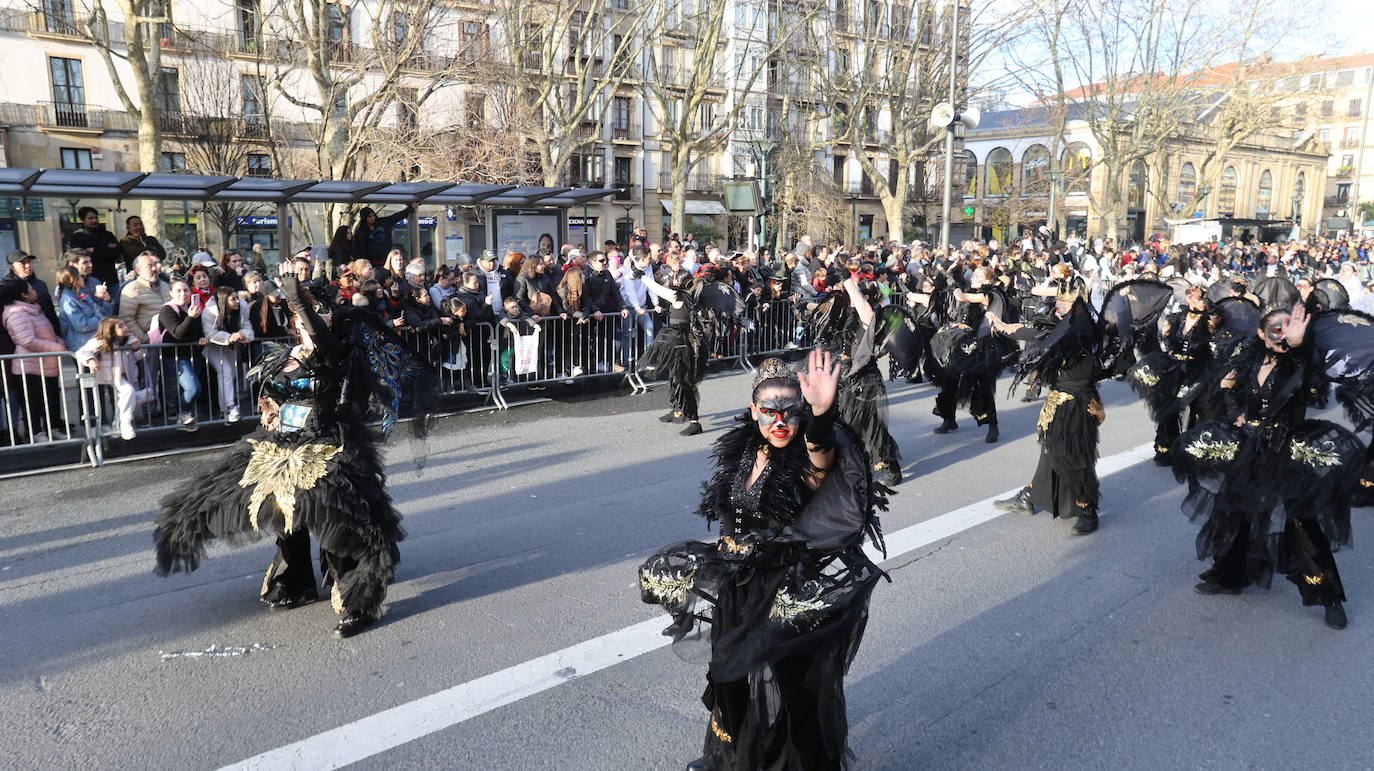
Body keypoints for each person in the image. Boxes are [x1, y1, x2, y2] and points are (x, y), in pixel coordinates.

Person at [639, 352, 887, 771]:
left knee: (790, 689)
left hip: (780, 589)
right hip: (735, 583)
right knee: (729, 676)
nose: (780, 422)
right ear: (753, 411)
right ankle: (729, 757)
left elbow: (819, 456)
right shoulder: (747, 448)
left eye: (791, 411)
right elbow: (730, 513)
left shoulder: (804, 459)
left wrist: (822, 415)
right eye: (769, 411)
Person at [153, 276, 429, 637]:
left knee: (332, 517)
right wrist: (268, 409)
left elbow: (323, 339)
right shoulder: (286, 355)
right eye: (302, 315)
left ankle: (355, 597)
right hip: (281, 442)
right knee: (279, 509)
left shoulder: (340, 352)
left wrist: (299, 299)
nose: (309, 319)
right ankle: (295, 580)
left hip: (327, 443)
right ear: (292, 324)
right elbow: (271, 393)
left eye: (317, 314)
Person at [1170, 304, 1365, 629]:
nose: (1281, 333)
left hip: (1283, 451)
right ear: (1261, 332)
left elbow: (1313, 382)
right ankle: (1231, 576)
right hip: (1248, 448)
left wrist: (1300, 345)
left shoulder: (1298, 363)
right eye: (1275, 327)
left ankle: (1327, 595)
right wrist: (1236, 415)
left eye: (1287, 327)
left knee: (1298, 523)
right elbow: (1226, 388)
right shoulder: (1248, 359)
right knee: (1233, 512)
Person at [1128, 285, 1216, 466]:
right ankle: (1167, 448)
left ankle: (1193, 449)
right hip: (1175, 368)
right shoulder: (1179, 316)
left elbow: (1219, 340)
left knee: (1198, 410)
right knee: (1168, 408)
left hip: (1198, 369)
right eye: (1194, 298)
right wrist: (1166, 340)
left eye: (1201, 299)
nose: (1198, 302)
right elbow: (1165, 335)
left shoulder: (1210, 320)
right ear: (1188, 299)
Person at [637, 266, 707, 436]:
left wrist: (642, 276)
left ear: (681, 282)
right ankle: (677, 409)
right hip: (683, 341)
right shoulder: (694, 295)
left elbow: (658, 289)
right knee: (674, 377)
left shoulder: (679, 296)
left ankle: (694, 421)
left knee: (683, 380)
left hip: (681, 342)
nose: (672, 280)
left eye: (675, 278)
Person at [75, 316, 143, 440]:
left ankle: (123, 423)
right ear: (110, 330)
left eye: (125, 324)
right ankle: (96, 427)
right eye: (121, 326)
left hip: (118, 376)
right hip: (102, 375)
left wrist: (137, 349)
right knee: (97, 399)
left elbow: (139, 357)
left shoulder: (129, 340)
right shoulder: (99, 341)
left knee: (127, 393)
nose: (126, 328)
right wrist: (90, 360)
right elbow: (81, 352)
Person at [156, 279, 206, 431]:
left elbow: (197, 333)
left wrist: (202, 338)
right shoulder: (167, 310)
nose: (182, 294)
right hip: (175, 356)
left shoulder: (193, 309)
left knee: (192, 388)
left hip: (193, 355)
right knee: (193, 388)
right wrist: (190, 317)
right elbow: (177, 333)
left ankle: (185, 416)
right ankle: (182, 412)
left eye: (185, 290)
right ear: (170, 293)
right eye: (178, 290)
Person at [202, 285, 254, 424]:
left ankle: (224, 410)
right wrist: (229, 337)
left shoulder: (242, 307)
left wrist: (244, 335)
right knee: (225, 371)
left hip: (229, 346)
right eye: (233, 299)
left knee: (230, 375)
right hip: (211, 346)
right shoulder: (210, 311)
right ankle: (230, 407)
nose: (237, 301)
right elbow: (210, 333)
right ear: (224, 301)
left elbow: (246, 325)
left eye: (237, 298)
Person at [4, 250, 61, 333]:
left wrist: (58, 332)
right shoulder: (7, 287)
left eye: (29, 262)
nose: (28, 266)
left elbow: (51, 312)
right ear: (12, 267)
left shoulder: (40, 284)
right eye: (22, 263)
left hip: (48, 332)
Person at [56, 264, 107, 350]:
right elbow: (81, 325)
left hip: (93, 341)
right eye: (80, 276)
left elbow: (100, 310)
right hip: (82, 346)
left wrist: (107, 300)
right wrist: (100, 318)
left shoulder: (81, 295)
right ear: (74, 280)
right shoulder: (68, 300)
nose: (82, 278)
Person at [67, 207, 123, 286]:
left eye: (96, 218)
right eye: (90, 218)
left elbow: (117, 252)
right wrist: (105, 250)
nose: (94, 220)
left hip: (111, 280)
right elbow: (80, 257)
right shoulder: (76, 238)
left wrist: (94, 250)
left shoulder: (107, 235)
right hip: (89, 282)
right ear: (83, 220)